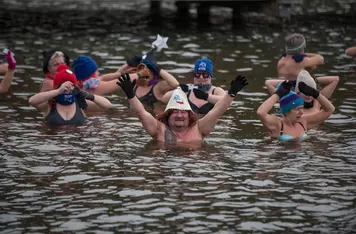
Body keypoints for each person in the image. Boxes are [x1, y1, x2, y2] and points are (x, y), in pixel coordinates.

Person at [116, 73, 248, 144]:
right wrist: (130, 95)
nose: (179, 115)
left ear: (189, 115)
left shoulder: (199, 128)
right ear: (167, 115)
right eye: (175, 112)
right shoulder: (158, 128)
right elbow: (140, 112)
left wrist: (231, 93)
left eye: (183, 112)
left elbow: (218, 110)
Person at [29, 64, 112, 126]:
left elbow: (107, 105)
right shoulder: (50, 103)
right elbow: (32, 101)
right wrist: (58, 91)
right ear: (58, 86)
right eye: (64, 86)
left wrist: (87, 95)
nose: (68, 89)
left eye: (71, 85)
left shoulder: (80, 103)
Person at [257, 80, 335, 141]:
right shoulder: (278, 125)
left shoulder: (303, 122)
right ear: (286, 111)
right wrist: (278, 94)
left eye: (301, 108)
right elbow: (261, 113)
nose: (301, 112)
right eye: (297, 109)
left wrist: (316, 94)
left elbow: (329, 110)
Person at [265, 70, 339, 114]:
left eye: (311, 92)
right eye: (305, 92)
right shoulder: (290, 101)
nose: (309, 95)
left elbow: (335, 79)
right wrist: (293, 82)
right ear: (298, 92)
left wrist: (314, 80)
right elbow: (268, 83)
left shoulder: (318, 101)